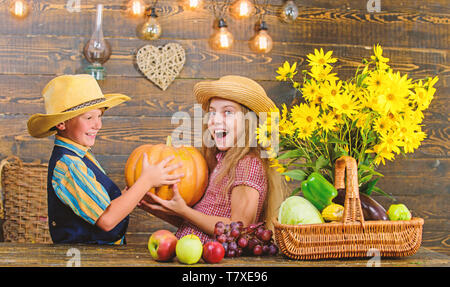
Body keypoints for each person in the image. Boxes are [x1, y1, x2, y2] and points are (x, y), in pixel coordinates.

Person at [27, 74, 183, 244]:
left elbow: (99, 202)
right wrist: (146, 181)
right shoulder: (68, 165)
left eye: (99, 116)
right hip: (84, 258)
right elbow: (107, 220)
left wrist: (133, 192)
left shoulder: (82, 155)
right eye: (89, 118)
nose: (98, 125)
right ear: (62, 124)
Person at [138, 75, 288, 243]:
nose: (215, 120)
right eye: (212, 112)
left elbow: (240, 229)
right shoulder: (222, 161)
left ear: (249, 121)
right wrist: (161, 208)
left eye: (228, 112)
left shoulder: (249, 164)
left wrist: (185, 211)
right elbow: (199, 222)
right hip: (193, 254)